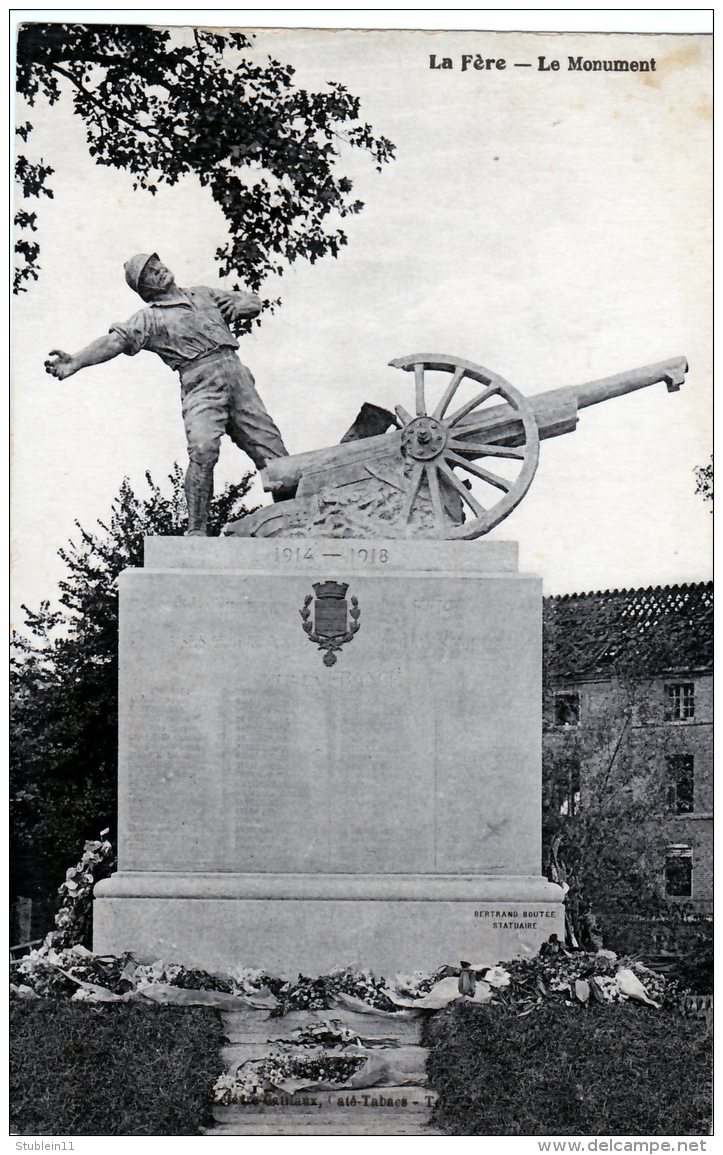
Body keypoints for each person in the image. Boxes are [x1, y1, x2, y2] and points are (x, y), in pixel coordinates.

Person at [45, 253, 289, 535]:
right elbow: (114, 342)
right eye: (149, 273)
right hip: (200, 382)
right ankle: (197, 530)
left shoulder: (202, 293)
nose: (158, 270)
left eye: (156, 264)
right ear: (145, 289)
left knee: (272, 450)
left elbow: (250, 300)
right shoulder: (150, 317)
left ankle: (292, 517)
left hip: (237, 374)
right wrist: (75, 361)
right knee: (202, 449)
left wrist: (244, 305)